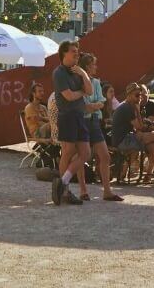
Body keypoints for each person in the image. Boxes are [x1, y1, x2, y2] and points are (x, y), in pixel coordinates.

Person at [50, 40, 91, 206]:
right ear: (64, 53)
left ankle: (62, 182)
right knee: (67, 152)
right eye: (73, 51)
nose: (77, 54)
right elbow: (69, 96)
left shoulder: (77, 71)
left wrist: (84, 74)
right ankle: (65, 192)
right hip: (67, 116)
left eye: (77, 51)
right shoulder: (59, 72)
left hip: (79, 116)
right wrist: (81, 92)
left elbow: (90, 90)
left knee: (86, 154)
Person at [78, 53, 122, 202]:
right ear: (87, 66)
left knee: (105, 155)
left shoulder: (96, 82)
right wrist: (93, 106)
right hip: (82, 122)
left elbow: (100, 102)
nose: (96, 67)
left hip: (95, 122)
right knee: (82, 156)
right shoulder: (78, 81)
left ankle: (107, 191)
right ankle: (83, 190)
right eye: (93, 64)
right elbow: (84, 105)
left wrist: (93, 106)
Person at [111, 82, 154, 183]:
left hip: (128, 138)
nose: (140, 97)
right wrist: (138, 109)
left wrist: (137, 109)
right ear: (129, 95)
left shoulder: (131, 106)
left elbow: (140, 127)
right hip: (122, 141)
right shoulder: (127, 108)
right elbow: (140, 127)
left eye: (140, 95)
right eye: (137, 95)